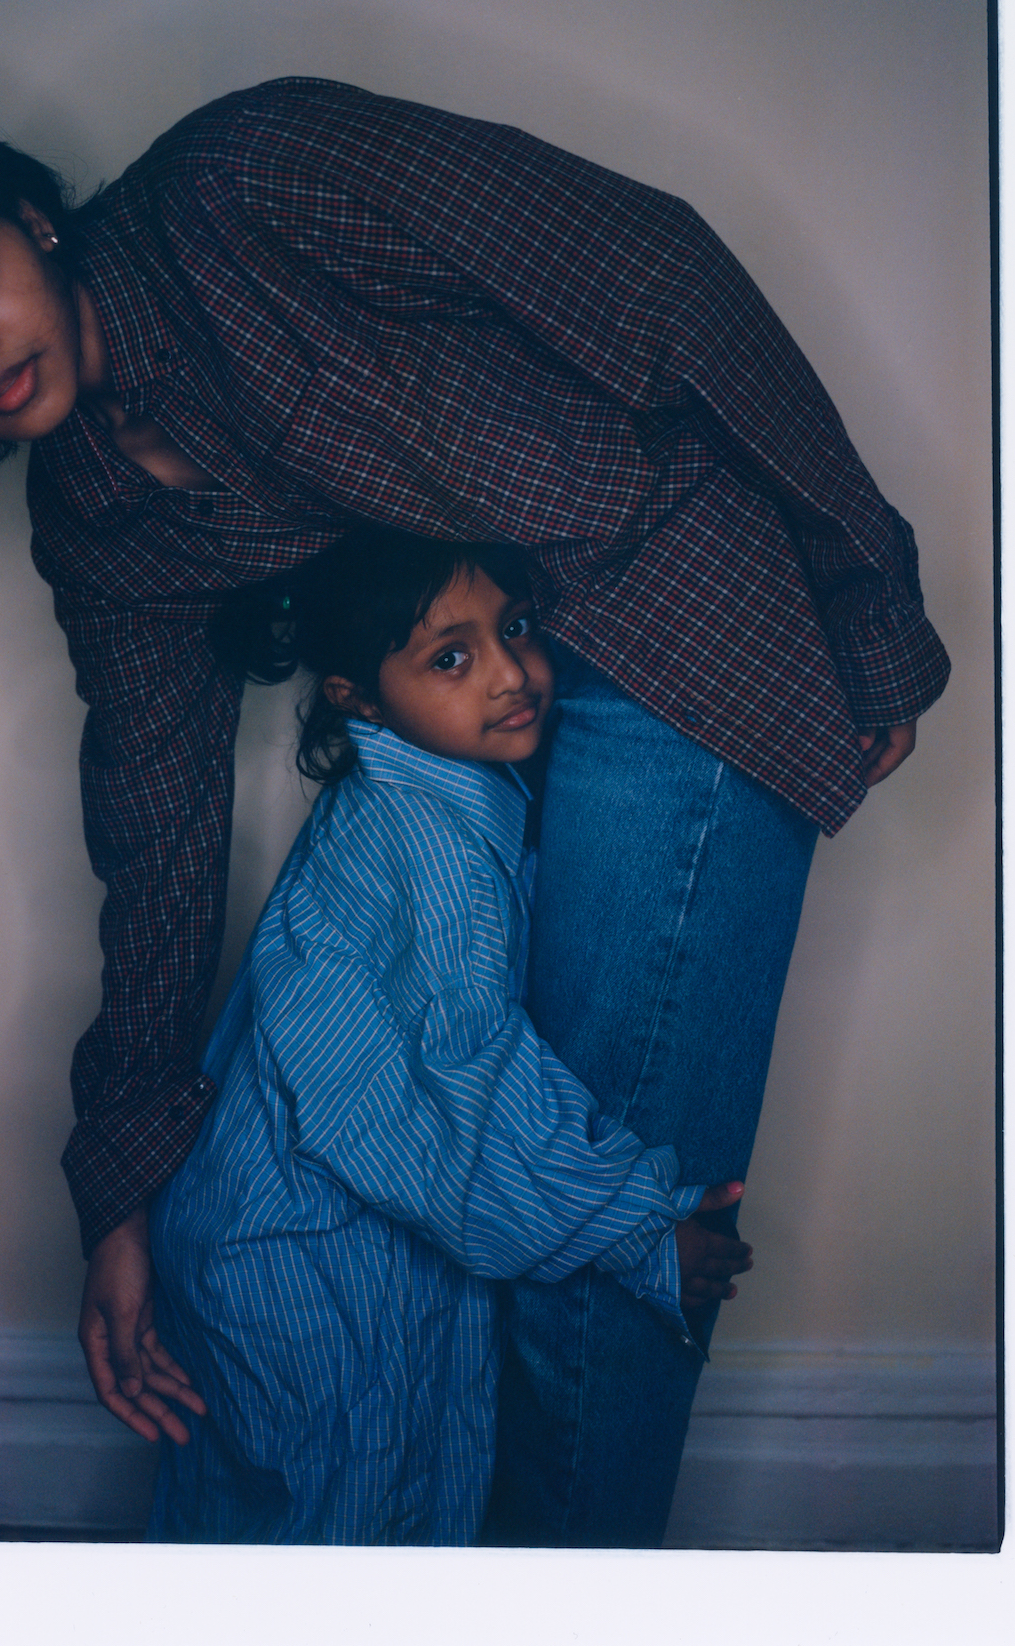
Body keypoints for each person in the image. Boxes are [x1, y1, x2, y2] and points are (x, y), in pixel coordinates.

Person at [0, 72, 948, 1546]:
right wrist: (125, 1184)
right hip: (486, 715)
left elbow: (652, 274)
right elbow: (155, 840)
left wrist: (869, 588)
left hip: (677, 623)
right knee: (516, 1232)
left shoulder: (253, 178)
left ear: (31, 217)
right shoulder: (96, 515)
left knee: (604, 1244)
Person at [145, 528, 753, 1544]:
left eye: (514, 629)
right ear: (359, 696)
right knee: (348, 1517)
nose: (514, 674)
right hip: (301, 1257)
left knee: (348, 1501)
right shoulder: (419, 843)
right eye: (451, 657)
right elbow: (467, 1083)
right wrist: (635, 1225)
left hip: (294, 1234)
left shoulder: (421, 807)